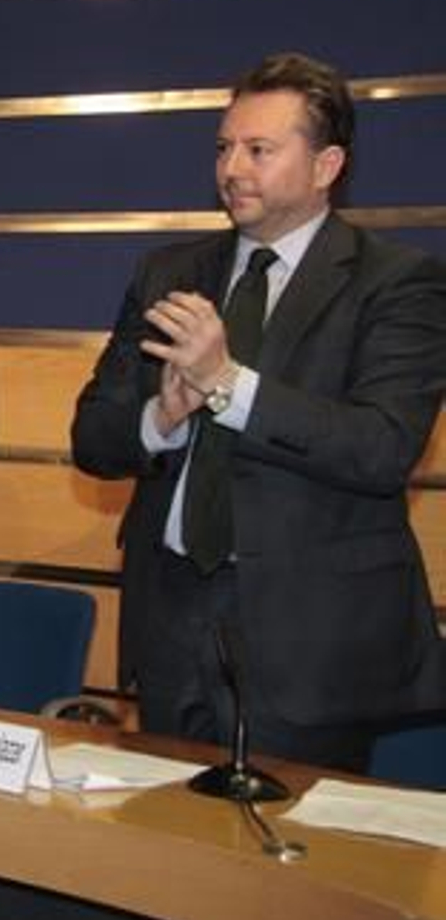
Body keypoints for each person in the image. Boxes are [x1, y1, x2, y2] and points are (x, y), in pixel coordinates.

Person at [71, 52, 446, 772]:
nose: (232, 167)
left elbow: (382, 446)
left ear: (326, 164)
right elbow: (93, 437)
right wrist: (164, 413)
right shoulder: (167, 272)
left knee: (291, 872)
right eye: (223, 148)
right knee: (167, 857)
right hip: (171, 617)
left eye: (259, 149)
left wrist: (226, 383)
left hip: (311, 640)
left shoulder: (397, 283)